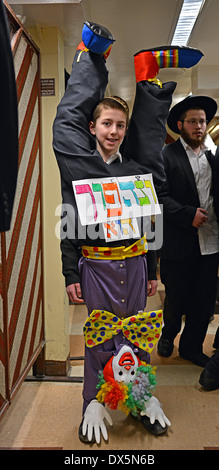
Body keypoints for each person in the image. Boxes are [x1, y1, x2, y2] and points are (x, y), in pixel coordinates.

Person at [53, 21, 203, 443]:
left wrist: (153, 267)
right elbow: (68, 221)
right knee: (102, 339)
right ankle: (94, 405)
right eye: (107, 125)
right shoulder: (79, 162)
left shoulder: (132, 162)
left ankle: (139, 398)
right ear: (94, 128)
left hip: (134, 263)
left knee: (136, 334)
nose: (114, 132)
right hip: (96, 267)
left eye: (119, 125)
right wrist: (70, 274)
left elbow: (151, 218)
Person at [158, 94, 219, 368]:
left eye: (203, 121)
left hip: (210, 241)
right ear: (180, 125)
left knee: (204, 300)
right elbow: (159, 197)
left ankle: (191, 347)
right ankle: (168, 333)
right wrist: (187, 215)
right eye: (193, 121)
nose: (199, 126)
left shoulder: (212, 157)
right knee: (176, 297)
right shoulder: (165, 156)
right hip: (179, 241)